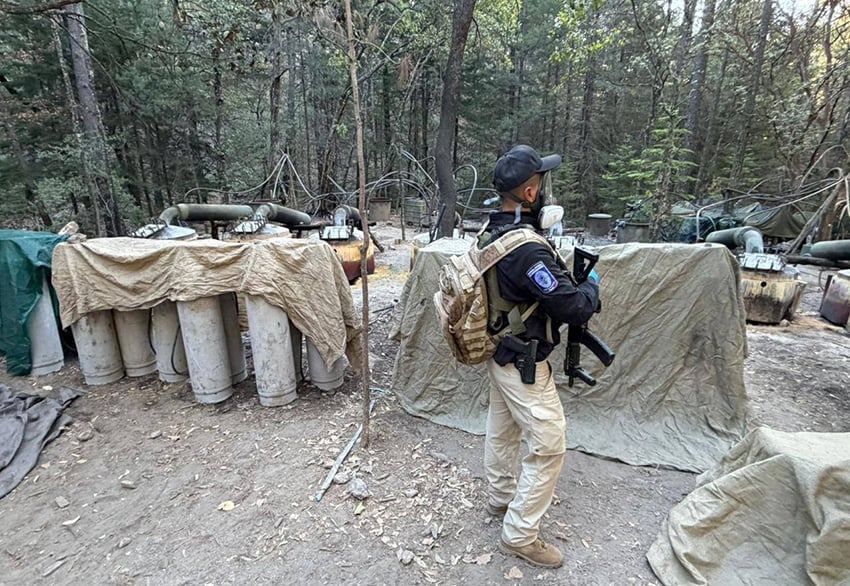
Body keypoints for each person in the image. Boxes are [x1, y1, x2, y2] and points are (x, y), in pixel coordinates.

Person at [483, 144, 600, 568]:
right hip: (524, 362)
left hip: (499, 352)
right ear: (530, 194)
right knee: (549, 445)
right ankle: (519, 535)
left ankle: (500, 498)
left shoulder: (493, 232)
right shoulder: (527, 250)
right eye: (542, 183)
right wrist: (591, 287)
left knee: (503, 430)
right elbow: (572, 307)